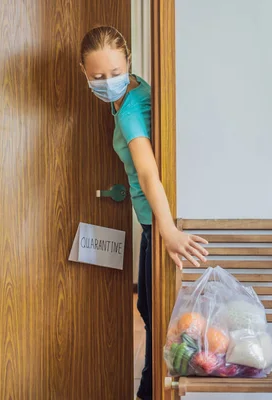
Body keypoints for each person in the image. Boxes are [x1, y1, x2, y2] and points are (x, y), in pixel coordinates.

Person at [79, 26, 209, 400]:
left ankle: (148, 394)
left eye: (115, 73)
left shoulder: (130, 110)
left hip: (157, 223)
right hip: (151, 222)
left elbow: (148, 172)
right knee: (149, 309)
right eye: (98, 77)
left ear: (129, 62)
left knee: (155, 315)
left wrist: (166, 231)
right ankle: (147, 390)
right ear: (84, 72)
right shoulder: (132, 92)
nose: (108, 82)